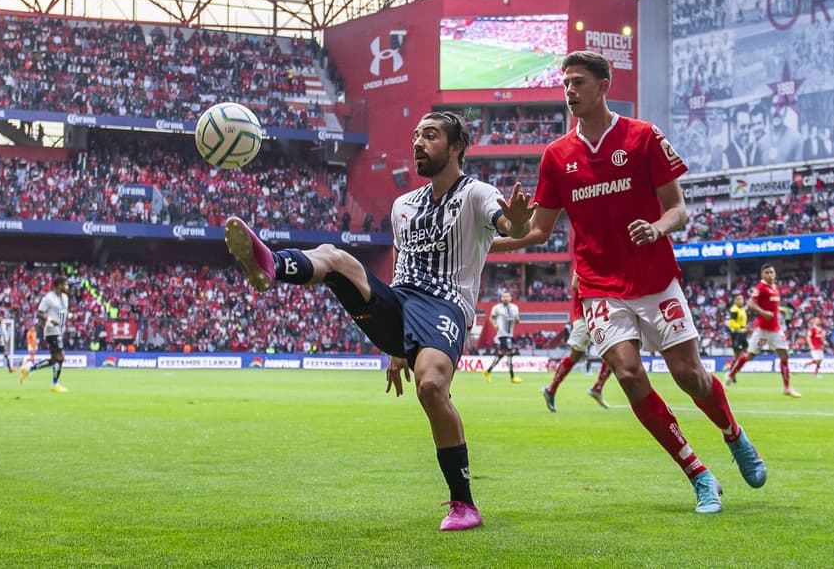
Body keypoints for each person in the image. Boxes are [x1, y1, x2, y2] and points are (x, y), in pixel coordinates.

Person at [224, 111, 532, 531]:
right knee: (335, 257)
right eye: (416, 136)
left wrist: (516, 218)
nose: (418, 143)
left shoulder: (478, 194)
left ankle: (464, 505)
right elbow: (402, 268)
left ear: (456, 146)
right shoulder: (403, 205)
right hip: (401, 301)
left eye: (430, 135)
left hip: (445, 306)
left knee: (431, 385)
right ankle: (270, 265)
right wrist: (396, 345)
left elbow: (512, 226)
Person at [504, 51, 765, 513]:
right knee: (627, 374)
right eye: (565, 83)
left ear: (605, 85)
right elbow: (538, 231)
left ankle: (733, 434)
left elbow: (678, 209)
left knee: (691, 376)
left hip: (655, 278)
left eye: (579, 82)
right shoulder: (556, 156)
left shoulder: (644, 137)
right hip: (599, 285)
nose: (570, 91)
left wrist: (658, 228)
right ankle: (699, 475)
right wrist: (495, 241)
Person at [536, 270, 613, 412]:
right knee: (575, 355)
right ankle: (551, 389)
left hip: (602, 316)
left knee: (614, 353)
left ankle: (597, 388)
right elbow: (575, 285)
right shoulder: (585, 261)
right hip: (584, 316)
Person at [725, 263, 801, 397]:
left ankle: (787, 387)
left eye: (772, 272)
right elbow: (751, 304)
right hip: (762, 329)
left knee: (784, 355)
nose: (770, 275)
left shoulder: (775, 287)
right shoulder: (760, 288)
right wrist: (763, 312)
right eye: (767, 273)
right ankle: (730, 375)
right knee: (749, 356)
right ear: (762, 274)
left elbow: (772, 305)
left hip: (775, 329)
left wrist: (780, 309)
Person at [20, 276, 70, 392]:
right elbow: (39, 313)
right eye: (65, 285)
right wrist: (50, 320)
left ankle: (28, 369)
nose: (67, 287)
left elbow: (62, 312)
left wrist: (71, 315)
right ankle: (55, 384)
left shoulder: (65, 298)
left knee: (53, 360)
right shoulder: (48, 298)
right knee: (61, 357)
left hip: (60, 331)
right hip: (52, 331)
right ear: (59, 286)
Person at [482, 291, 522, 384]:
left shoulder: (514, 308)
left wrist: (517, 319)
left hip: (510, 334)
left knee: (501, 354)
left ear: (510, 298)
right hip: (503, 334)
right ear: (501, 298)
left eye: (507, 297)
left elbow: (517, 321)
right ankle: (512, 377)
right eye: (504, 297)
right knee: (510, 353)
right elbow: (491, 318)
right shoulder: (497, 308)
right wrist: (495, 325)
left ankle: (487, 371)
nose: (505, 298)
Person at [726, 293, 749, 379]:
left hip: (743, 333)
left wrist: (744, 327)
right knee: (737, 355)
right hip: (737, 334)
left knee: (748, 352)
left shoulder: (742, 309)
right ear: (735, 301)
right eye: (738, 299)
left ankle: (734, 371)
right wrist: (742, 326)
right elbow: (731, 323)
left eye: (742, 299)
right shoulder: (734, 310)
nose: (741, 301)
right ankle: (731, 374)